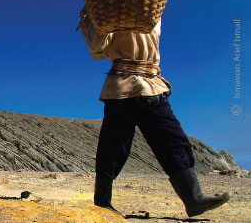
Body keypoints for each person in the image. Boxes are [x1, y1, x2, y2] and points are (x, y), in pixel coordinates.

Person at [82, 18, 230, 217]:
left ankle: (193, 200)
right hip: (121, 87)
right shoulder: (108, 12)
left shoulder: (151, 10)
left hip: (151, 85)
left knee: (174, 140)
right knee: (113, 147)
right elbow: (96, 50)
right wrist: (100, 23)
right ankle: (102, 203)